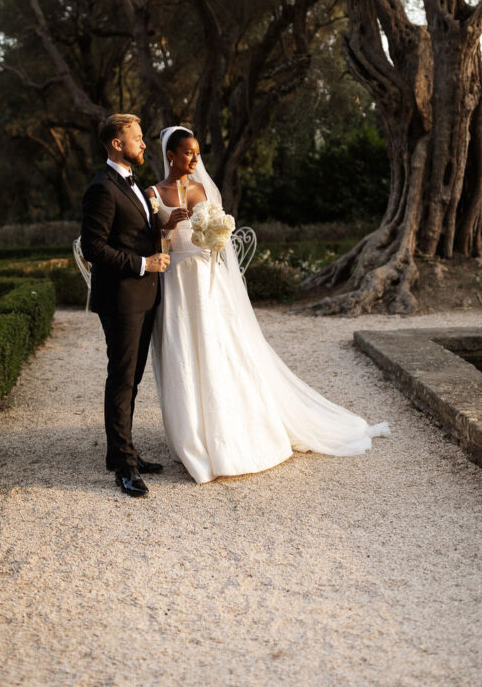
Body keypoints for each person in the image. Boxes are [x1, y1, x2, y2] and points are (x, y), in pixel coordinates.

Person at [146, 125, 390, 485]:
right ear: (170, 155)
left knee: (219, 352)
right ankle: (192, 439)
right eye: (188, 153)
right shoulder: (153, 193)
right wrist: (167, 226)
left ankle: (231, 431)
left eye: (197, 152)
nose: (195, 159)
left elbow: (218, 239)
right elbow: (153, 242)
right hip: (176, 281)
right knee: (182, 353)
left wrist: (214, 237)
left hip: (206, 283)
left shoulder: (200, 189)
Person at [81, 114, 170, 498]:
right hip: (121, 297)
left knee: (131, 379)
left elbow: (137, 232)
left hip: (145, 295)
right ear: (117, 144)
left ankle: (122, 453)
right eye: (136, 138)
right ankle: (125, 466)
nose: (143, 143)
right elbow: (93, 248)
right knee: (121, 378)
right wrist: (142, 264)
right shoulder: (102, 188)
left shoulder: (133, 184)